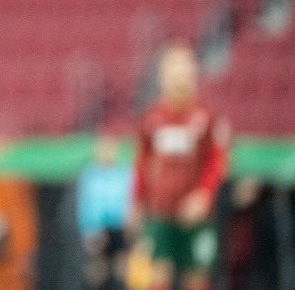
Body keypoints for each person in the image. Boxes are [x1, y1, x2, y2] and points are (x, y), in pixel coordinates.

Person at [133, 43, 228, 290]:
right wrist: (136, 201)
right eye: (174, 70)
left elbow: (218, 160)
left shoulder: (206, 116)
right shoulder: (152, 116)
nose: (179, 77)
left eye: (185, 70)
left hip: (195, 216)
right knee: (157, 276)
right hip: (159, 212)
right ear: (163, 76)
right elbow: (142, 161)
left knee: (197, 278)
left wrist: (204, 195)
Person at [77, 134, 133, 290]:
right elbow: (85, 204)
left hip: (119, 225)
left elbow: (129, 199)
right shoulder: (90, 174)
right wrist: (88, 230)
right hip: (96, 226)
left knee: (120, 267)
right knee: (96, 269)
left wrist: (130, 223)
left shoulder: (124, 171)